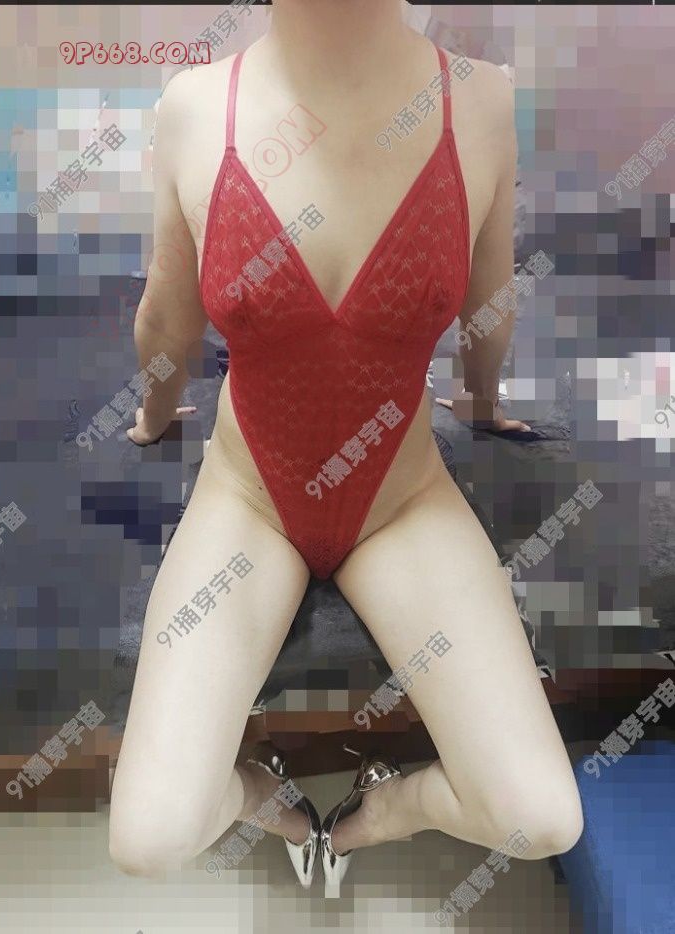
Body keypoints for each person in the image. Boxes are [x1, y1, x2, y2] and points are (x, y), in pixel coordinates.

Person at [109, 0, 583, 891]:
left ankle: (377, 811)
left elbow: (490, 305)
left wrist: (483, 406)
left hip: (400, 502)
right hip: (250, 499)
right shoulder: (196, 107)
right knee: (148, 838)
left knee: (541, 816)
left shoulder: (479, 99)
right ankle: (265, 796)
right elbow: (167, 319)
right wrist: (153, 416)